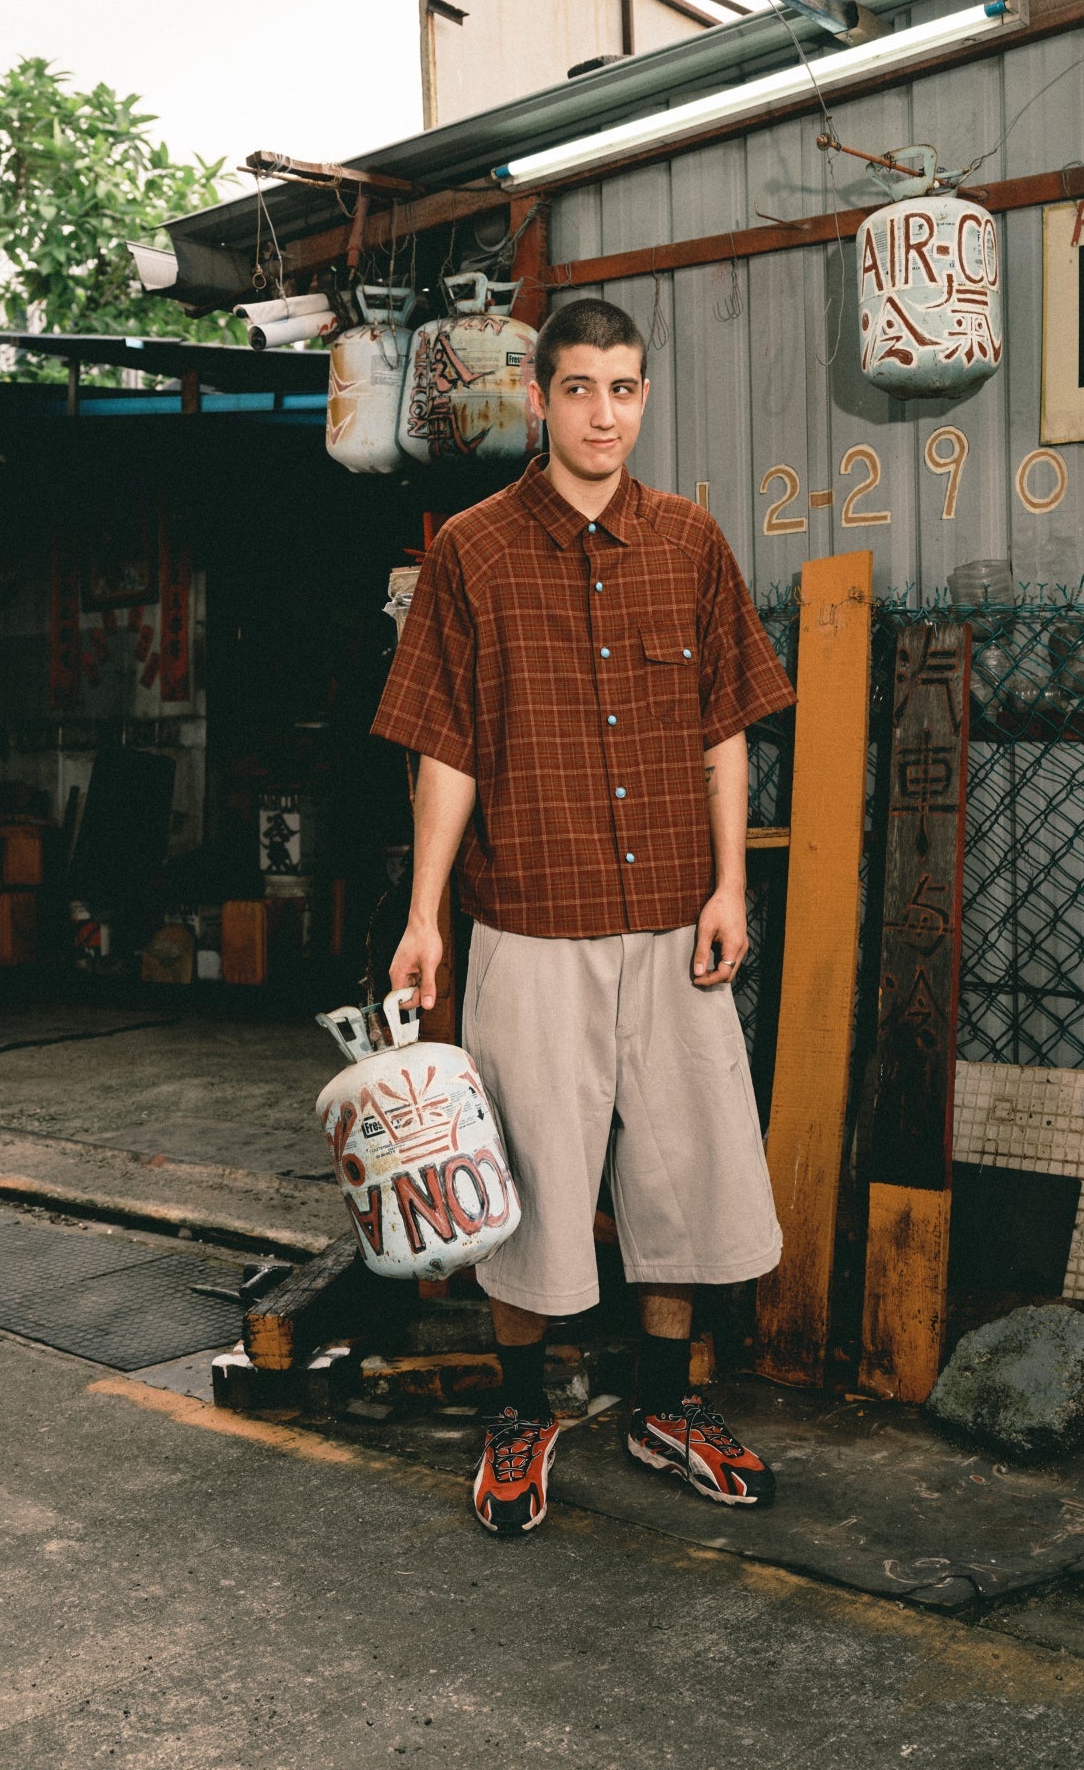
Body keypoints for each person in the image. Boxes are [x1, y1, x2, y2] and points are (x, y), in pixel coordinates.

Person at [371, 296, 795, 1537]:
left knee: (684, 1165)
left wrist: (730, 885)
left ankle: (666, 1403)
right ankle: (520, 1408)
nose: (603, 411)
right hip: (530, 914)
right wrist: (424, 913)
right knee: (534, 1176)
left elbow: (724, 729)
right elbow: (445, 747)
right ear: (540, 398)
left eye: (624, 387)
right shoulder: (475, 549)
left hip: (673, 910)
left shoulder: (692, 541)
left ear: (644, 396)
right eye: (579, 388)